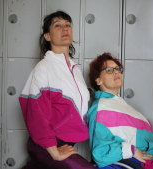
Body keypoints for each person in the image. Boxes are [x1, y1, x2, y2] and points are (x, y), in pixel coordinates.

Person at [19, 11, 95, 169]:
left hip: (65, 143)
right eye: (58, 25)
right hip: (46, 146)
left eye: (68, 25)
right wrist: (54, 151)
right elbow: (36, 113)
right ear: (47, 36)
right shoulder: (44, 68)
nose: (65, 28)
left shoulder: (75, 70)